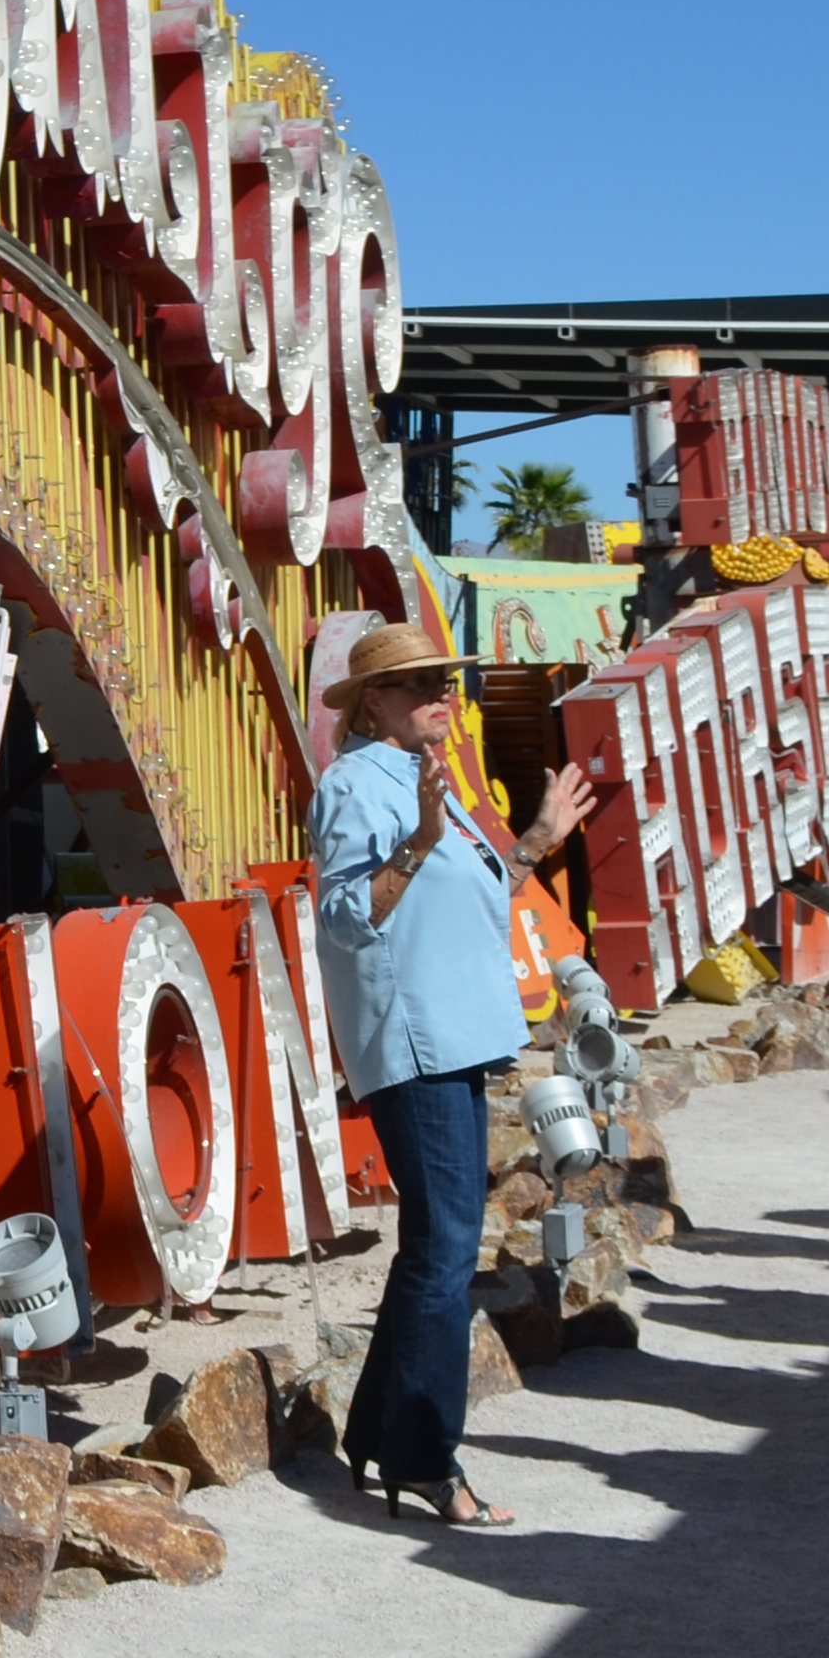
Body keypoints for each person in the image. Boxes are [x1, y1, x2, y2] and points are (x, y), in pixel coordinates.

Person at [311, 620, 601, 1527]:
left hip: (455, 1039)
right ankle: (427, 1458)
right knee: (442, 1256)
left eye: (446, 679)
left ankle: (379, 1441)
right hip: (417, 1044)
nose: (444, 692)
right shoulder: (359, 784)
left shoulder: (423, 779)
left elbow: (474, 890)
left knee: (434, 1250)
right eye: (420, 682)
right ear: (370, 704)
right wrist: (424, 836)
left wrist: (537, 841)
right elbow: (349, 915)